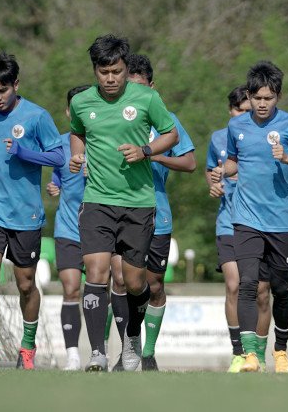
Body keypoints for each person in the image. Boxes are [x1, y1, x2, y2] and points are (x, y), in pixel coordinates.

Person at [69, 34, 179, 372]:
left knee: (134, 282)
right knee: (98, 272)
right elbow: (77, 131)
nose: (111, 78)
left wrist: (145, 151)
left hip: (139, 204)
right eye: (104, 72)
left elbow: (170, 134)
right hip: (98, 201)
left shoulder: (146, 98)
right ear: (95, 71)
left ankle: (132, 339)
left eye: (117, 71)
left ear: (125, 67)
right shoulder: (82, 102)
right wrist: (77, 154)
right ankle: (97, 353)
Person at [209, 61, 288, 373]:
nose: (261, 104)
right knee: (248, 285)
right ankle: (250, 355)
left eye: (268, 98)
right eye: (257, 98)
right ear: (248, 95)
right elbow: (233, 162)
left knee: (281, 289)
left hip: (281, 221)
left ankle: (280, 351)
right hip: (245, 218)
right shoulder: (236, 127)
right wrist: (221, 171)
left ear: (278, 97)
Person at [0, 52, 65, 370]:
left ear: (16, 85)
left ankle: (27, 346)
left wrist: (25, 152)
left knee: (25, 284)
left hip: (26, 215)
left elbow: (58, 158)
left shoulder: (37, 117)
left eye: (3, 90)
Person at [125, 53, 197, 371]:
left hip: (158, 212)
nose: (136, 95)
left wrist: (153, 156)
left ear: (152, 87)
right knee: (123, 279)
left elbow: (190, 163)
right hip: (122, 210)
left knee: (153, 285)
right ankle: (128, 345)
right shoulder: (118, 117)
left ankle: (148, 353)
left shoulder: (167, 120)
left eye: (141, 88)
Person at [207, 86, 273, 373]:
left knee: (261, 290)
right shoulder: (219, 139)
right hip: (229, 222)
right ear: (230, 112)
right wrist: (213, 183)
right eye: (240, 110)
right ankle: (239, 352)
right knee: (234, 285)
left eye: (249, 110)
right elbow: (211, 171)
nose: (245, 115)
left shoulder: (270, 134)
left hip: (263, 222)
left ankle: (260, 353)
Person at [46, 84, 91, 370]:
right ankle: (72, 354)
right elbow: (58, 180)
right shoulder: (59, 145)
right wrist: (54, 186)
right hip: (67, 229)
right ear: (67, 112)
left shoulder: (105, 140)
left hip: (101, 229)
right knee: (71, 288)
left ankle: (102, 351)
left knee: (102, 290)